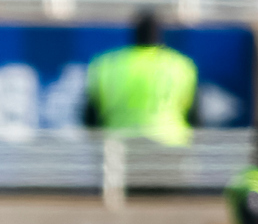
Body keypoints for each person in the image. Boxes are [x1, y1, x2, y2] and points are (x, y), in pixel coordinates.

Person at [84, 9, 197, 147]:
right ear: (161, 33)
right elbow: (196, 117)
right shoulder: (180, 65)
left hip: (120, 146)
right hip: (170, 145)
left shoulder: (107, 64)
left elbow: (90, 118)